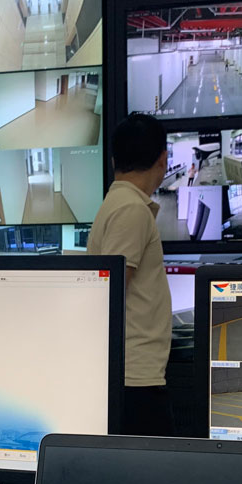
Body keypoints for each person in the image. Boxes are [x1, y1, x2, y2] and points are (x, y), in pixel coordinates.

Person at [87, 113, 174, 437]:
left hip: (131, 376)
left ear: (113, 161)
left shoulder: (119, 203)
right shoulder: (131, 210)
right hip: (135, 379)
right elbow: (111, 291)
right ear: (162, 160)